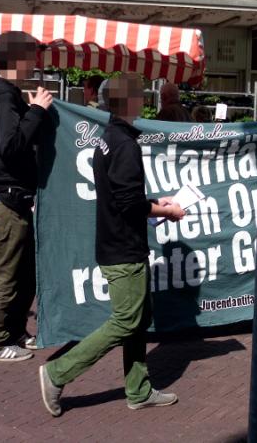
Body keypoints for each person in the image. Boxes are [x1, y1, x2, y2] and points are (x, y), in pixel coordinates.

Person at [39, 73, 186, 417]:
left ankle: (138, 390)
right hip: (124, 248)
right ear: (129, 103)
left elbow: (125, 195)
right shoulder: (125, 145)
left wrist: (154, 199)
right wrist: (166, 209)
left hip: (115, 243)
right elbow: (129, 204)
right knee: (125, 321)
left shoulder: (108, 138)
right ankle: (57, 372)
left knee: (137, 317)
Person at [0, 31, 52, 361]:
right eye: (32, 57)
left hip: (14, 193)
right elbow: (11, 145)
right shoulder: (1, 95)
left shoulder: (1, 94)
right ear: (18, 59)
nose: (36, 63)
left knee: (24, 269)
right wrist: (36, 112)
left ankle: (15, 331)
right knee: (8, 270)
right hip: (7, 195)